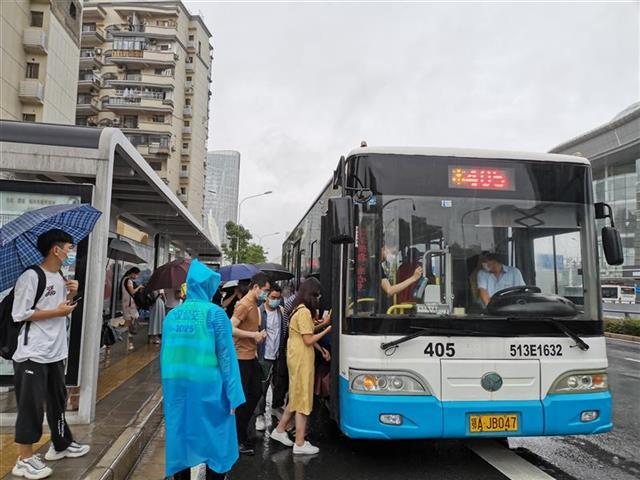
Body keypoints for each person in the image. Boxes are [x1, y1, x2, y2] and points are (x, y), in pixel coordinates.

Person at [11, 229, 90, 480]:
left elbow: (59, 307)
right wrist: (57, 312)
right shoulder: (31, 277)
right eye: (68, 248)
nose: (70, 252)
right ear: (56, 249)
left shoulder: (59, 276)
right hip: (33, 352)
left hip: (55, 351)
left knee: (58, 400)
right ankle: (24, 459)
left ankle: (61, 443)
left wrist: (72, 295)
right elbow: (19, 314)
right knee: (30, 407)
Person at [161, 259, 245, 480]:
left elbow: (165, 357)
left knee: (180, 437)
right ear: (206, 286)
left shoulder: (171, 316)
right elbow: (227, 358)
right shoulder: (215, 314)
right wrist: (233, 395)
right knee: (216, 441)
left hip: (177, 390)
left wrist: (168, 391)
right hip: (210, 390)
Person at [270, 277, 332, 455]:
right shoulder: (304, 312)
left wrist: (321, 348)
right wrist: (327, 329)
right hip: (301, 358)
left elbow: (307, 332)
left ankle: (280, 430)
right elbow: (308, 338)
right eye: (317, 295)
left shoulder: (298, 308)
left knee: (297, 395)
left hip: (296, 355)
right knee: (303, 397)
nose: (319, 299)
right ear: (312, 294)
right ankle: (299, 442)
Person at [231, 273, 270, 455]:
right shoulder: (244, 305)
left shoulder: (255, 305)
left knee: (255, 394)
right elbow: (231, 328)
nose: (266, 294)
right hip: (241, 359)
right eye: (265, 290)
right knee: (245, 398)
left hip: (250, 357)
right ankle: (238, 439)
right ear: (255, 287)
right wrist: (253, 336)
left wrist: (257, 336)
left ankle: (240, 434)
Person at [255, 284, 285, 432]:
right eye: (273, 297)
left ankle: (275, 407)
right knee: (262, 386)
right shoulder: (259, 312)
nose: (275, 300)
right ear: (266, 296)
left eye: (278, 298)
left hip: (277, 354)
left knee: (278, 383)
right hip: (263, 354)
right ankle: (259, 415)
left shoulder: (281, 311)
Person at [121, 267, 144, 351]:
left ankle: (126, 338)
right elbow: (132, 292)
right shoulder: (129, 281)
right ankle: (125, 338)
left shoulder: (124, 279)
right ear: (132, 273)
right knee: (130, 320)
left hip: (126, 303)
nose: (137, 276)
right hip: (129, 304)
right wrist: (139, 287)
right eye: (136, 274)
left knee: (129, 320)